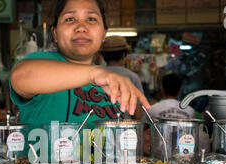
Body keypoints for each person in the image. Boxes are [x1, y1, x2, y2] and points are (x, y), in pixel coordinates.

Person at [9, 0, 150, 128]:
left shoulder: (109, 83)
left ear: (103, 34)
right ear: (55, 33)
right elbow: (21, 76)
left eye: (91, 19)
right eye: (70, 19)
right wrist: (95, 73)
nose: (81, 27)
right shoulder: (42, 62)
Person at [99, 36, 145, 120]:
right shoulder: (132, 77)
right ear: (124, 54)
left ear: (103, 55)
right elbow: (138, 114)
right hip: (124, 129)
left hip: (98, 128)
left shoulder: (95, 76)